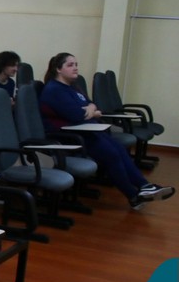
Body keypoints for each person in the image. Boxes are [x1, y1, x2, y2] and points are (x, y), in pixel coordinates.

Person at [39, 52, 173, 210]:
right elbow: (76, 115)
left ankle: (145, 186)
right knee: (111, 154)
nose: (75, 68)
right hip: (69, 136)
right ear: (58, 69)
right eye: (70, 65)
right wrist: (91, 111)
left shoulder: (72, 87)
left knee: (119, 149)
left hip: (85, 131)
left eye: (76, 64)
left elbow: (92, 104)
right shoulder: (54, 89)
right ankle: (133, 195)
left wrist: (90, 109)